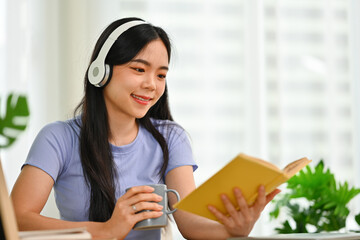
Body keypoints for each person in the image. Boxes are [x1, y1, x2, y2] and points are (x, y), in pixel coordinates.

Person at [10, 17, 280, 240]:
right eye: (139, 69)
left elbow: (189, 223)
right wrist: (105, 231)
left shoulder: (170, 137)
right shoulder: (58, 138)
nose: (152, 84)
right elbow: (17, 219)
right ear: (100, 72)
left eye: (161, 75)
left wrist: (231, 230)